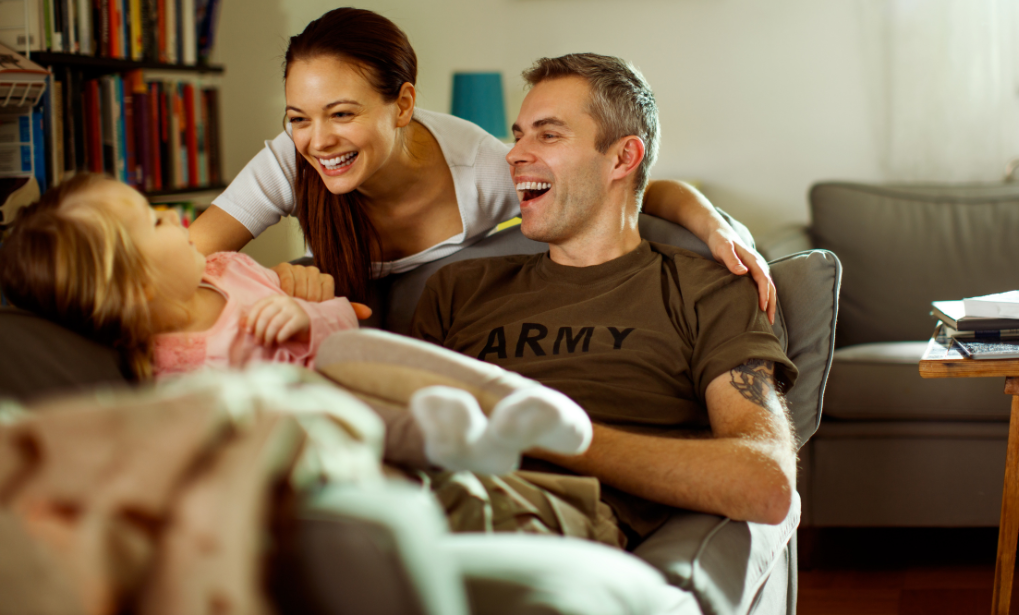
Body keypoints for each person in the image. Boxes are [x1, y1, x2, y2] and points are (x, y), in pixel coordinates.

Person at [410, 53, 799, 546]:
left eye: (548, 135)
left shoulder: (703, 289)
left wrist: (555, 435)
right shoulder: (458, 288)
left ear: (622, 158)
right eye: (519, 133)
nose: (514, 153)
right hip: (413, 492)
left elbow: (765, 482)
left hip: (540, 513)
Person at [187, 7, 776, 319]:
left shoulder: (482, 170)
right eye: (298, 117)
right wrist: (271, 285)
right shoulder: (288, 161)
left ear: (404, 104)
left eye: (342, 114)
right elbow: (187, 259)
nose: (317, 140)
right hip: (331, 320)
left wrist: (715, 226)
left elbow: (623, 187)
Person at [0, 173, 594, 477]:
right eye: (149, 223)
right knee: (310, 392)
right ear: (133, 287)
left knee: (347, 356)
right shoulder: (170, 369)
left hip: (352, 365)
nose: (168, 214)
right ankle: (455, 443)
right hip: (328, 429)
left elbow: (346, 326)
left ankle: (520, 401)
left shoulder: (229, 269)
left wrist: (306, 316)